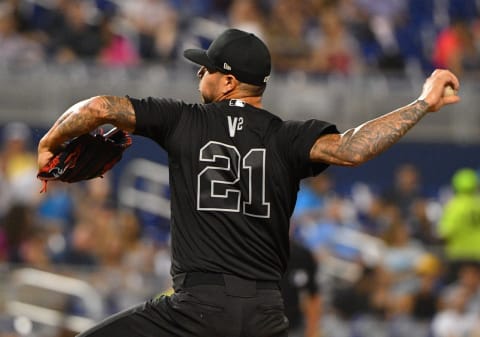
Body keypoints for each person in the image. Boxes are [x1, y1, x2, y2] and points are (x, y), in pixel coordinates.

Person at [37, 28, 460, 337]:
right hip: (264, 316)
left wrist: (50, 141)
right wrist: (422, 103)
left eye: (204, 68)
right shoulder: (286, 136)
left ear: (227, 80)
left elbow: (97, 107)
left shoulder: (182, 120)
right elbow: (355, 148)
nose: (198, 74)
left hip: (196, 311)